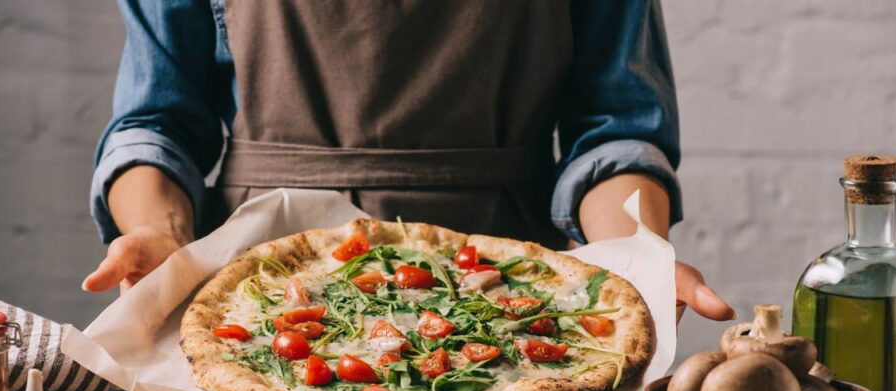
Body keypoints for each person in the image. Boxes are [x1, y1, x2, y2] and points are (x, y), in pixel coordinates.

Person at [83, 0, 734, 323]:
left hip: (508, 302)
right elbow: (156, 123)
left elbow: (615, 133)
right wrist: (162, 237)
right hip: (259, 299)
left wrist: (638, 252)